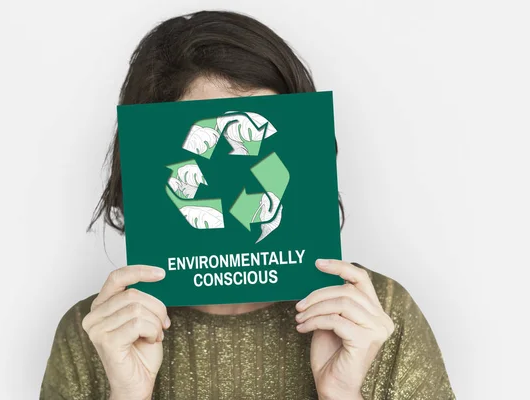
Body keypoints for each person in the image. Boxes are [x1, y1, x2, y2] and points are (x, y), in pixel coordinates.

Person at [40, 10, 455, 400]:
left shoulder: (376, 317)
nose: (239, 167)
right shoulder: (96, 334)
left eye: (257, 129)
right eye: (213, 132)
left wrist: (342, 393)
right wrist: (128, 394)